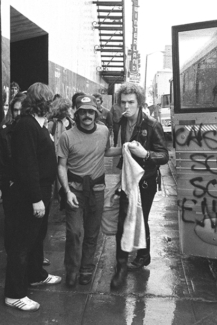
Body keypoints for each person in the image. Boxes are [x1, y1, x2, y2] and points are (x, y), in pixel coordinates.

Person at [4, 82, 61, 312]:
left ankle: (36, 274)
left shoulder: (38, 124)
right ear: (42, 102)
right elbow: (28, 166)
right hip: (29, 195)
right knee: (21, 244)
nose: (52, 104)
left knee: (36, 237)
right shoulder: (27, 126)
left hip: (40, 190)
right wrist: (36, 199)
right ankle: (14, 294)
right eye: (49, 100)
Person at [57, 94, 121, 287]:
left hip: (97, 190)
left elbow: (107, 151)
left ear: (96, 114)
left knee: (92, 233)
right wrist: (66, 191)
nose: (87, 115)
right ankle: (72, 270)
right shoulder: (67, 136)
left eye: (90, 112)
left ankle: (86, 268)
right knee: (74, 232)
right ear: (77, 114)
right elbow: (61, 165)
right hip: (75, 191)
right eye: (83, 112)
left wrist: (126, 148)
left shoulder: (103, 132)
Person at [110, 82, 169, 289]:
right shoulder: (121, 122)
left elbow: (164, 155)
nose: (127, 106)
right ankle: (131, 259)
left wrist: (147, 154)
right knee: (126, 218)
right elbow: (120, 148)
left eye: (131, 102)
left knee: (140, 217)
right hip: (128, 178)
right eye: (123, 102)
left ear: (140, 103)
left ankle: (142, 255)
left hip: (146, 181)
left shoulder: (152, 125)